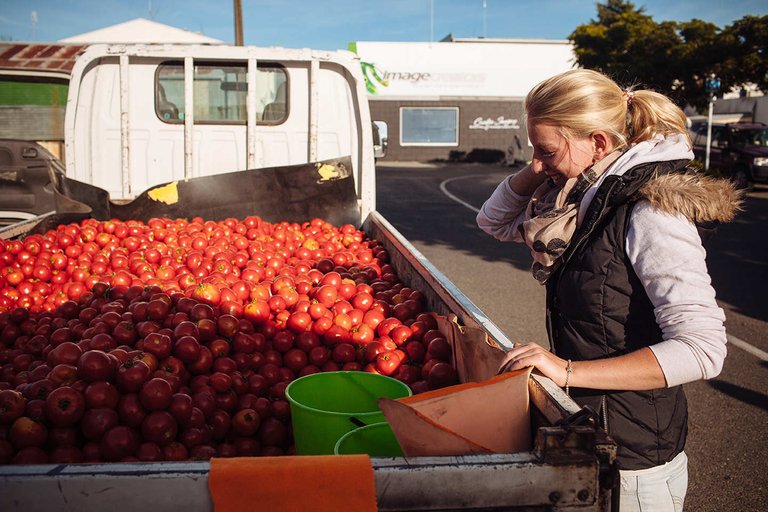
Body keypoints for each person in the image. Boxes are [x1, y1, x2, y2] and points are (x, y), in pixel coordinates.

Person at [476, 69, 741, 511]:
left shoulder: (650, 211)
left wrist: (566, 372)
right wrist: (542, 161)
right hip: (598, 434)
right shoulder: (587, 195)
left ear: (599, 143)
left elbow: (703, 349)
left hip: (634, 464)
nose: (537, 166)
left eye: (546, 151)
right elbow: (493, 221)